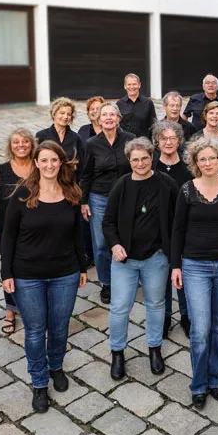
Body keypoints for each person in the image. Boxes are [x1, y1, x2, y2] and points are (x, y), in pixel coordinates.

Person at [1, 141, 88, 413]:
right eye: (44, 160)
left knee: (60, 327)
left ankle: (56, 366)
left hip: (65, 273)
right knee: (36, 330)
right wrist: (6, 273)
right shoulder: (22, 194)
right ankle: (39, 381)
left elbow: (77, 234)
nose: (50, 165)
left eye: (54, 160)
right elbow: (8, 236)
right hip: (28, 275)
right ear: (36, 163)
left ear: (61, 162)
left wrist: (82, 267)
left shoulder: (71, 192)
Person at [170, 137, 218, 410]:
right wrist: (175, 266)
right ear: (195, 163)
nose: (207, 163)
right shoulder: (187, 190)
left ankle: (215, 377)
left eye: (212, 158)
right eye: (202, 159)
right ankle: (199, 384)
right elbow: (177, 229)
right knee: (200, 329)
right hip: (195, 266)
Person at [103, 138, 179, 380]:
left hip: (156, 257)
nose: (140, 163)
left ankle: (154, 348)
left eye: (144, 158)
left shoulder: (166, 184)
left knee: (156, 304)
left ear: (152, 157)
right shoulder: (121, 185)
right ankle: (117, 352)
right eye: (135, 160)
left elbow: (178, 219)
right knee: (119, 307)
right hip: (125, 259)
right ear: (129, 161)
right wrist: (115, 244)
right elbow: (108, 221)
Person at [0, 128, 35, 334]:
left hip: (35, 231)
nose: (21, 145)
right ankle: (10, 311)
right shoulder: (1, 171)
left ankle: (33, 308)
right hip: (6, 230)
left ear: (32, 144)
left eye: (25, 141)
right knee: (9, 268)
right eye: (16, 142)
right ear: (10, 147)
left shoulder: (39, 167)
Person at [81, 103, 136, 304]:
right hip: (100, 197)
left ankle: (128, 276)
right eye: (104, 115)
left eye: (112, 114)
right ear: (98, 119)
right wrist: (83, 201)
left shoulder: (129, 139)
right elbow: (86, 174)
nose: (108, 118)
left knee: (127, 237)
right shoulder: (92, 143)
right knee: (102, 243)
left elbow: (137, 166)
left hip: (126, 196)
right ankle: (107, 282)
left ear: (118, 118)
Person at [152, 121, 193, 336]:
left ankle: (186, 316)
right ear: (157, 142)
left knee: (183, 276)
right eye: (163, 138)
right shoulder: (151, 167)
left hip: (184, 230)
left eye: (172, 138)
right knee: (161, 279)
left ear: (179, 141)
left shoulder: (188, 169)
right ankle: (165, 316)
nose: (168, 142)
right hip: (158, 231)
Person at [77, 97, 105, 265]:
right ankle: (89, 253)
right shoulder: (83, 131)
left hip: (105, 182)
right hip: (87, 180)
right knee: (86, 219)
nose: (95, 111)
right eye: (92, 109)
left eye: (98, 108)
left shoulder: (111, 129)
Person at [35, 97, 84, 174]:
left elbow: (81, 165)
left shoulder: (76, 138)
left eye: (69, 114)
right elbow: (35, 162)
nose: (65, 117)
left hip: (70, 179)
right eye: (62, 113)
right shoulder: (41, 136)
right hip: (48, 178)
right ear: (54, 114)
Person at [117, 73, 157, 138]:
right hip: (125, 141)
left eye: (134, 84)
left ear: (139, 85)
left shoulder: (148, 103)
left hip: (144, 141)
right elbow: (117, 126)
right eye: (129, 84)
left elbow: (153, 125)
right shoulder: (119, 104)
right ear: (125, 86)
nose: (132, 87)